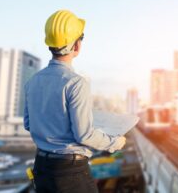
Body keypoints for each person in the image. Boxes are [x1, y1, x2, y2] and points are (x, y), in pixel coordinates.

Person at [23, 10, 126, 193]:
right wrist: (115, 143)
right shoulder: (76, 83)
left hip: (42, 168)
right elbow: (84, 135)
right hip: (69, 173)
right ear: (76, 45)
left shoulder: (33, 81)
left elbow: (28, 123)